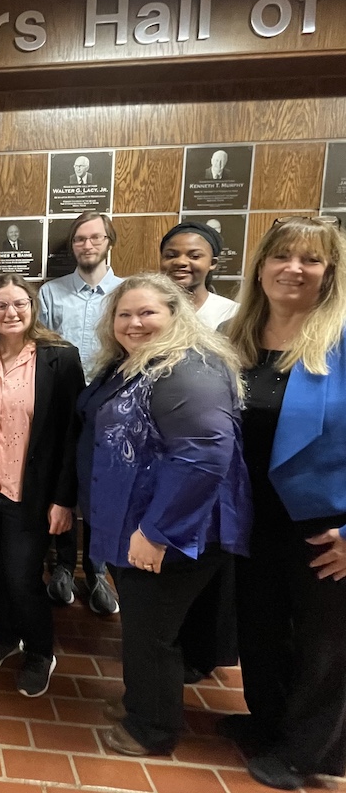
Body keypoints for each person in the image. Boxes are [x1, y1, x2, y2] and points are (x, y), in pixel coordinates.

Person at [77, 273, 250, 757]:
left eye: (147, 312)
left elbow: (204, 455)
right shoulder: (132, 364)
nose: (134, 323)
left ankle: (152, 728)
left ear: (177, 314)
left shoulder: (188, 369)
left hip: (171, 532)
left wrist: (156, 532)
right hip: (132, 520)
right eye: (124, 314)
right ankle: (143, 703)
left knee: (151, 633)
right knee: (142, 625)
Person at [220, 216, 346, 790]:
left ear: (331, 273)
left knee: (326, 645)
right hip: (253, 517)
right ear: (262, 266)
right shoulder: (236, 338)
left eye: (311, 259)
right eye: (282, 256)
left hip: (324, 526)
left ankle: (307, 752)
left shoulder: (341, 342)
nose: (294, 268)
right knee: (262, 629)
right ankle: (269, 723)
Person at [0, 273, 84, 696]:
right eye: (0, 306)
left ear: (32, 308)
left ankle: (39, 650)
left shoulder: (59, 358)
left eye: (19, 305)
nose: (10, 313)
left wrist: (64, 499)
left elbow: (73, 434)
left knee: (22, 576)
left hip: (28, 493)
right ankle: (7, 634)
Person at [38, 211, 123, 615]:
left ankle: (97, 570)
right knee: (65, 483)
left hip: (113, 407)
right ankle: (63, 567)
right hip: (62, 405)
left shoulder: (126, 292)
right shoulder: (51, 294)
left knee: (102, 489)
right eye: (79, 240)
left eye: (95, 238)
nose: (87, 246)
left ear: (109, 241)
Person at [159, 221, 237, 330]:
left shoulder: (231, 313)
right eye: (171, 255)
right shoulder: (145, 309)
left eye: (194, 256)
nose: (180, 262)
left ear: (212, 263)